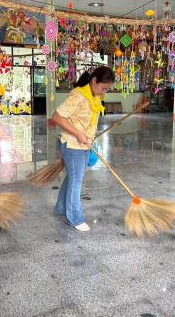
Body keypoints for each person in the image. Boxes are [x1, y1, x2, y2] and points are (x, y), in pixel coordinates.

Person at [52, 66, 115, 231]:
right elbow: (57, 117)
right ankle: (75, 218)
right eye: (103, 88)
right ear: (94, 81)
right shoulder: (78, 96)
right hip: (73, 145)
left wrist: (89, 137)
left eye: (107, 89)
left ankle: (60, 207)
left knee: (72, 178)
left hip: (84, 144)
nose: (103, 92)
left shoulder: (94, 96)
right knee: (76, 181)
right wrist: (79, 134)